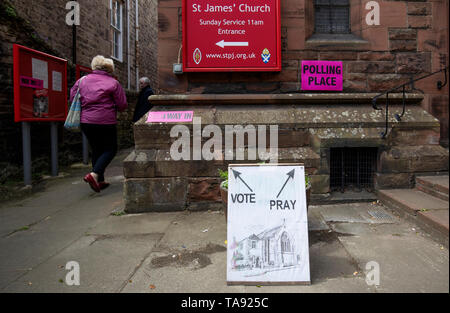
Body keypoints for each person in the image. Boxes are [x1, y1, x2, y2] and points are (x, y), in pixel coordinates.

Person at [70, 55, 128, 193]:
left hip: (86, 122)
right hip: (106, 121)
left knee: (97, 149)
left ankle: (100, 180)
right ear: (109, 69)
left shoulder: (82, 81)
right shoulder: (113, 83)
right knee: (111, 149)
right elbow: (122, 105)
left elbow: (72, 97)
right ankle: (94, 174)